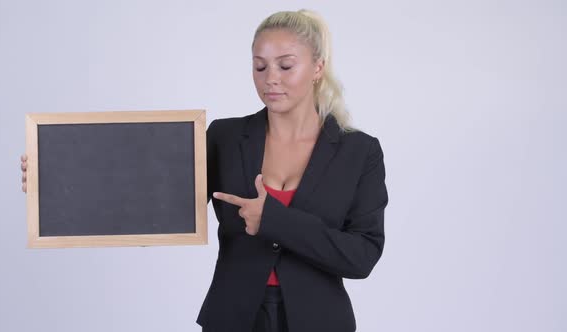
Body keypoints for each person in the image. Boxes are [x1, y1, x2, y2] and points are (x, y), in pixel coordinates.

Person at [21, 9, 388, 332]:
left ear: (318, 67)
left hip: (320, 321)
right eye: (259, 66)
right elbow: (152, 201)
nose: (269, 78)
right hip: (232, 318)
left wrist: (273, 219)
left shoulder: (360, 151)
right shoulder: (225, 137)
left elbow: (362, 256)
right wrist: (58, 178)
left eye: (285, 65)